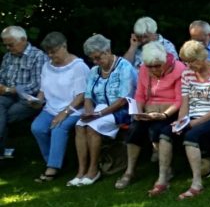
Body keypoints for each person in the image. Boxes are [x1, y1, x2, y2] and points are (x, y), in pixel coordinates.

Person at [160, 40, 210, 200]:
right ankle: (162, 178)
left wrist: (195, 123)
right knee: (166, 133)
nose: (189, 66)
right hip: (193, 116)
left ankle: (197, 183)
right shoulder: (187, 74)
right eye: (186, 62)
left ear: (202, 57)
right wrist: (181, 122)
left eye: (192, 61)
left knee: (191, 136)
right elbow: (185, 103)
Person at [116, 42, 185, 189]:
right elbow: (139, 95)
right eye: (150, 66)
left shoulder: (179, 69)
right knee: (134, 129)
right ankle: (130, 171)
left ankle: (164, 173)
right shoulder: (143, 69)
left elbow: (180, 99)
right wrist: (139, 112)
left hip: (171, 111)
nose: (153, 70)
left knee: (159, 129)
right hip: (149, 110)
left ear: (165, 60)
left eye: (157, 66)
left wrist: (164, 114)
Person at [71, 34, 136, 187]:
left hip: (123, 110)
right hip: (99, 109)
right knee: (79, 126)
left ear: (107, 51)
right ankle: (81, 171)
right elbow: (88, 96)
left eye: (97, 57)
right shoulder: (94, 71)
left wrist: (98, 115)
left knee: (93, 128)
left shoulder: (124, 67)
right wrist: (89, 112)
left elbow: (122, 100)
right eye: (92, 59)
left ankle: (93, 170)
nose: (95, 62)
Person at [29, 32, 89, 182]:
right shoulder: (46, 66)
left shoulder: (78, 67)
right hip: (51, 108)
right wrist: (37, 101)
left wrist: (65, 112)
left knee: (58, 127)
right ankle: (55, 160)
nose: (50, 55)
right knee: (37, 127)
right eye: (48, 52)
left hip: (74, 109)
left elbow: (81, 96)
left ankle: (53, 168)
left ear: (64, 46)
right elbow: (43, 90)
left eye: (53, 51)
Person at [0, 25, 47, 156]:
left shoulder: (38, 56)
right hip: (7, 96)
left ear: (23, 40)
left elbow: (38, 85)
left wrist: (11, 89)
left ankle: (2, 151)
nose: (8, 48)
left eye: (11, 45)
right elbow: (2, 77)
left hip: (29, 98)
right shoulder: (8, 56)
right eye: (6, 45)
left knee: (4, 116)